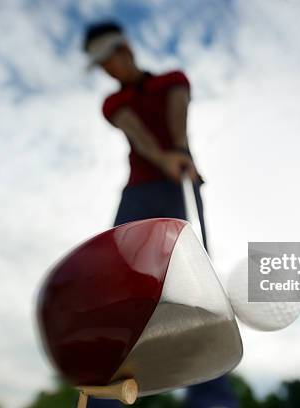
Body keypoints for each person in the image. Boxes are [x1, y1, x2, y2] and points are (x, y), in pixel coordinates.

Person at [82, 20, 237, 408]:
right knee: (122, 291)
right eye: (98, 64)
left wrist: (180, 154)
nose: (106, 68)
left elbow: (176, 123)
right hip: (138, 195)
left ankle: (211, 398)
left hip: (176, 189)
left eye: (107, 57)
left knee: (196, 290)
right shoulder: (112, 103)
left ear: (125, 49)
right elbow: (139, 136)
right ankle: (106, 398)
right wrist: (164, 157)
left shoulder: (172, 79)